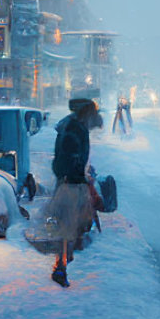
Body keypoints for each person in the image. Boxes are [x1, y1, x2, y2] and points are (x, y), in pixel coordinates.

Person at [47, 98, 98, 288]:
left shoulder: (73, 125)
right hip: (70, 185)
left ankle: (63, 262)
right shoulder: (74, 129)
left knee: (71, 227)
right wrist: (75, 176)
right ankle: (60, 268)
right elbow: (69, 158)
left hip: (70, 182)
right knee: (67, 228)